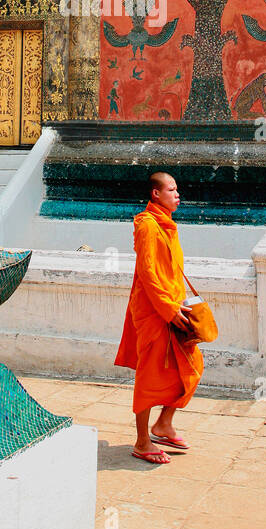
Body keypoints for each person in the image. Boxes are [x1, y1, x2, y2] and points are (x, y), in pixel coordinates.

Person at [114, 172, 203, 464]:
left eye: (177, 189)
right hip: (154, 311)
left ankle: (163, 424)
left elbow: (170, 272)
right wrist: (167, 308)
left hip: (174, 308)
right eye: (171, 189)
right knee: (150, 376)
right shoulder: (149, 227)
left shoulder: (167, 225)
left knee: (192, 366)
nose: (177, 194)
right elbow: (148, 274)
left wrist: (180, 305)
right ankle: (141, 441)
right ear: (155, 194)